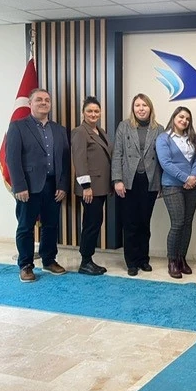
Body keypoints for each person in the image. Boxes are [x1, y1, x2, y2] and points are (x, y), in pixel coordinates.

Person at [5, 88, 69, 282]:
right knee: (26, 227)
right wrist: (19, 186)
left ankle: (49, 260)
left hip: (53, 186)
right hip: (29, 187)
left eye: (47, 100)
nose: (44, 103)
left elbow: (65, 160)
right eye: (39, 99)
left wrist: (62, 185)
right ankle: (25, 265)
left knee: (51, 225)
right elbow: (12, 159)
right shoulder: (18, 127)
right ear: (30, 103)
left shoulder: (59, 130)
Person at [111, 93, 164, 276]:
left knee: (144, 223)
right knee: (130, 223)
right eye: (138, 105)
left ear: (150, 108)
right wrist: (117, 180)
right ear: (133, 108)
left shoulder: (159, 129)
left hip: (149, 181)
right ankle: (131, 262)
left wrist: (160, 184)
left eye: (144, 105)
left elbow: (162, 159)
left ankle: (143, 259)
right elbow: (117, 154)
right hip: (128, 181)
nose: (141, 109)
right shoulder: (124, 126)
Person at [157, 106, 196, 279]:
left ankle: (182, 258)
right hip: (172, 185)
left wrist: (193, 177)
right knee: (178, 223)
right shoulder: (164, 138)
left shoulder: (192, 138)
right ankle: (172, 261)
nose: (184, 120)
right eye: (181, 117)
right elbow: (165, 163)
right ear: (174, 117)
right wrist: (185, 178)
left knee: (187, 223)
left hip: (192, 186)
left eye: (187, 119)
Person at [71, 96, 112, 276]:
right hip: (90, 188)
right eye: (89, 111)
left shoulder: (100, 131)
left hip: (101, 186)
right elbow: (79, 160)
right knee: (91, 224)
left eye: (96, 111)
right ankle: (85, 262)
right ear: (83, 113)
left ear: (100, 113)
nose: (93, 114)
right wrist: (86, 186)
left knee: (95, 222)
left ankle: (88, 259)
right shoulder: (80, 132)